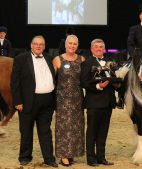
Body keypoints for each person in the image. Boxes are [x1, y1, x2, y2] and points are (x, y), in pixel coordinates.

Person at [10, 35, 58, 167]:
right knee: (26, 131)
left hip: (47, 101)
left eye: (41, 44)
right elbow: (15, 82)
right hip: (27, 101)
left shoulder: (49, 58)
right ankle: (25, 156)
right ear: (31, 45)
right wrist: (17, 101)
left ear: (44, 46)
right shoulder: (20, 59)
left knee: (45, 131)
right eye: (36, 44)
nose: (38, 46)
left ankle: (49, 158)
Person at [81, 39, 117, 166]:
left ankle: (101, 157)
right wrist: (98, 87)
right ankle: (91, 159)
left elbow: (113, 78)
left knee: (103, 131)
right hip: (93, 103)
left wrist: (117, 83)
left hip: (108, 103)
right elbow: (83, 82)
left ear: (104, 49)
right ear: (91, 49)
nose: (98, 49)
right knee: (92, 131)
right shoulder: (87, 63)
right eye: (96, 47)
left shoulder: (110, 62)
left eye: (101, 47)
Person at [52, 34, 85, 166]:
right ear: (65, 45)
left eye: (75, 44)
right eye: (70, 43)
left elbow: (86, 79)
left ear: (77, 46)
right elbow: (52, 81)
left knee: (77, 127)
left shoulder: (82, 59)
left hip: (77, 99)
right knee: (63, 127)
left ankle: (73, 153)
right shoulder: (57, 60)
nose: (72, 46)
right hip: (62, 100)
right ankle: (63, 155)